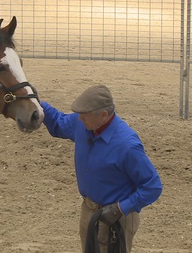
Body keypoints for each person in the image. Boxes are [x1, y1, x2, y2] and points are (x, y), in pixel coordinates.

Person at [40, 84, 163, 253]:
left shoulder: (127, 145)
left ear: (104, 115)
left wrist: (121, 208)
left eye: (84, 116)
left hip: (117, 218)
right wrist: (34, 101)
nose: (79, 119)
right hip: (89, 211)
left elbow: (152, 186)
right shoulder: (83, 124)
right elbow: (58, 123)